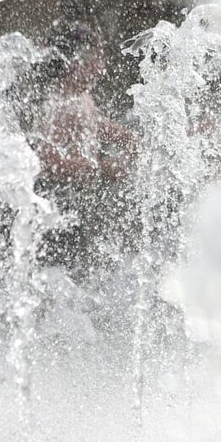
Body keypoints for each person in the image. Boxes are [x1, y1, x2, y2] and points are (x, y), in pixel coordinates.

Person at [31, 17, 137, 270]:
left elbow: (95, 125)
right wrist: (98, 167)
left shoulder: (81, 99)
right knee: (61, 273)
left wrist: (128, 139)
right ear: (74, 63)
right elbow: (41, 158)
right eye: (96, 60)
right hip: (56, 207)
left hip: (76, 203)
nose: (101, 68)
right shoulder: (54, 105)